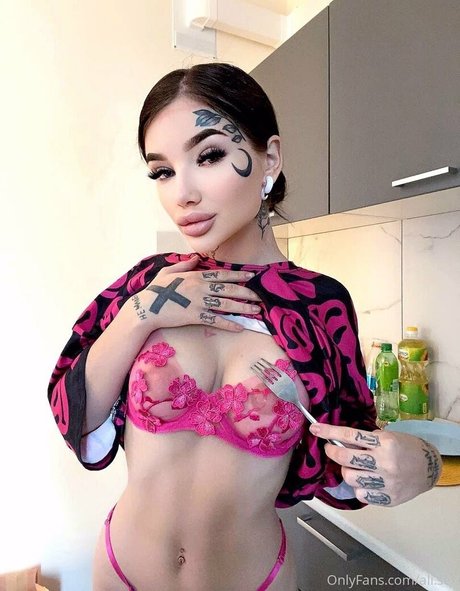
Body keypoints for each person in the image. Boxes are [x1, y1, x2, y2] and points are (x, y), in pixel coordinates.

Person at [48, 63, 442, 591]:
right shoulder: (148, 284)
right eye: (162, 171)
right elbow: (76, 416)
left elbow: (348, 454)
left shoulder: (319, 305)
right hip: (122, 572)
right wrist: (143, 313)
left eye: (209, 156)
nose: (182, 193)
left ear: (270, 158)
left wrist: (423, 462)